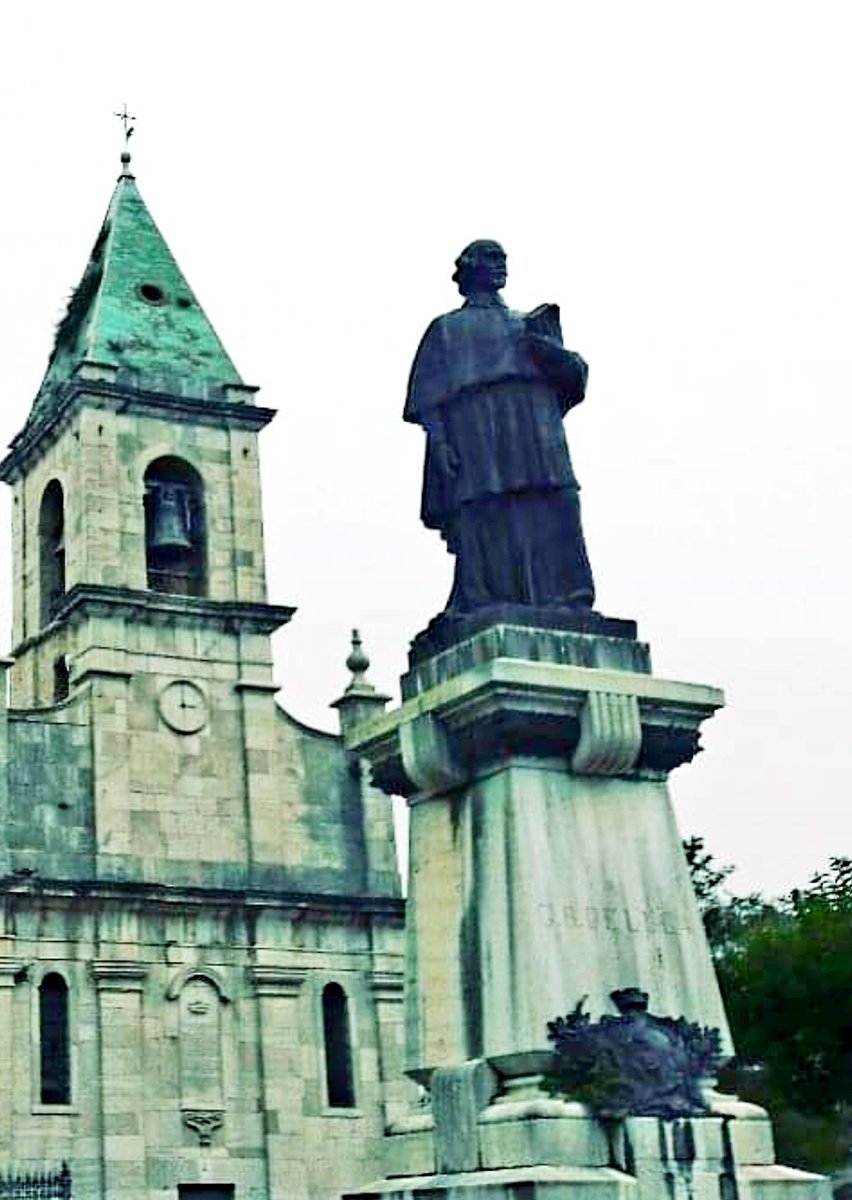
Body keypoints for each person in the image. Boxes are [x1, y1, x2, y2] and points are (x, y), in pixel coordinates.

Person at [405, 240, 595, 615]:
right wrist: (441, 443)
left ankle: (568, 595)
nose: (501, 265)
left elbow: (575, 378)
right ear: (469, 268)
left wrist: (551, 354)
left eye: (503, 259)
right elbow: (427, 398)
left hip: (534, 423)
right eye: (492, 258)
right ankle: (488, 596)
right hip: (477, 426)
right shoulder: (447, 329)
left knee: (559, 499)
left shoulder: (529, 323)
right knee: (485, 505)